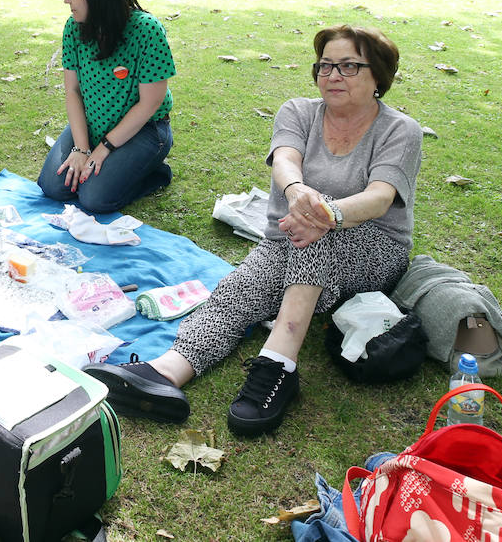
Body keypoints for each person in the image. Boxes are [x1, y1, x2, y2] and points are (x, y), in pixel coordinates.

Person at [84, 25, 422, 438]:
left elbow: (379, 198)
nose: (333, 75)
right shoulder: (298, 112)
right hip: (290, 235)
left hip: (373, 248)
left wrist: (323, 214)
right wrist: (298, 193)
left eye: (349, 66)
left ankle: (277, 367)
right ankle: (166, 371)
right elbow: (285, 160)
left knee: (311, 240)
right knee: (241, 288)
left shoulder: (400, 130)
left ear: (379, 76)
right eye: (326, 65)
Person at [37, 0, 174, 214]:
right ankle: (117, 168)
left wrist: (104, 149)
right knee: (53, 186)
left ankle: (155, 172)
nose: (67, 0)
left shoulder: (148, 31)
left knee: (94, 199)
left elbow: (150, 104)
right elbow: (73, 91)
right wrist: (81, 148)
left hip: (145, 130)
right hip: (93, 123)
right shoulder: (73, 28)